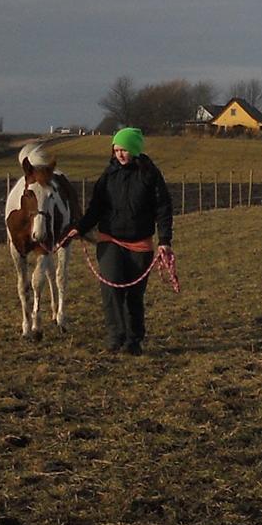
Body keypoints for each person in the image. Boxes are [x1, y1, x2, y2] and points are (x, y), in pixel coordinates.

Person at [64, 127, 173, 355]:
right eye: (116, 150)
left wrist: (164, 240)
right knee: (110, 289)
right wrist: (79, 228)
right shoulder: (108, 176)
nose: (120, 154)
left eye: (124, 149)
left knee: (134, 296)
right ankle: (115, 336)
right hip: (110, 240)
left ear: (134, 149)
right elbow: (95, 208)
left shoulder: (150, 175)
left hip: (140, 244)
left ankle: (134, 340)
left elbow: (163, 208)